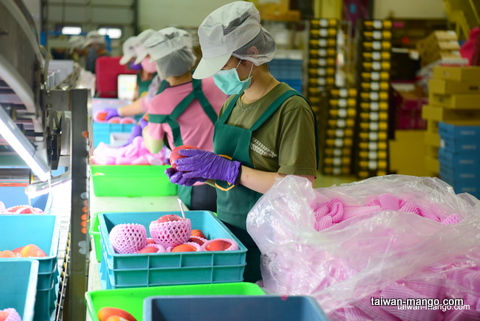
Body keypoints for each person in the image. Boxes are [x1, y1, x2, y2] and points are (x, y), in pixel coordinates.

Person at [167, 1, 318, 283]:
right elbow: (230, 170)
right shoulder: (232, 103)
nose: (217, 76)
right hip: (228, 230)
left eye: (223, 66)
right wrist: (204, 173)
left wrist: (231, 170)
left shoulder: (291, 108)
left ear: (250, 56)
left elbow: (300, 186)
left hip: (270, 240)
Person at [142, 27, 228, 212]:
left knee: (203, 235)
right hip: (229, 173)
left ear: (162, 66)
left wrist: (145, 130)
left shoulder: (159, 102)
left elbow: (154, 147)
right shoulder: (215, 83)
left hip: (196, 183)